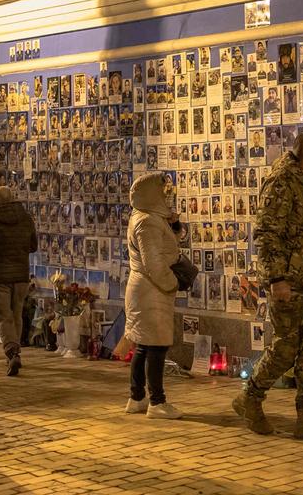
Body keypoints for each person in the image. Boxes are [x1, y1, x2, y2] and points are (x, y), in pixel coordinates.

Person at [234, 133, 303, 439]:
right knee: (285, 348)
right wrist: (276, 279)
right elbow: (268, 234)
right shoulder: (282, 182)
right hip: (289, 283)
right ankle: (250, 397)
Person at [124, 172, 186, 419]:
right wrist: (172, 283)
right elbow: (154, 263)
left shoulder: (148, 217)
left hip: (148, 289)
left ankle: (137, 397)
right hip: (152, 290)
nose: (165, 196)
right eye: (161, 192)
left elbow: (170, 242)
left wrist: (173, 224)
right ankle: (157, 402)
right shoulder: (147, 222)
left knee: (144, 346)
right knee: (157, 346)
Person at [0, 186, 38, 376]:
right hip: (21, 275)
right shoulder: (26, 218)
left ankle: (12, 351)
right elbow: (33, 246)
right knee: (16, 315)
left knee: (3, 317)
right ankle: (16, 351)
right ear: (12, 198)